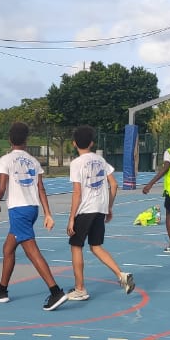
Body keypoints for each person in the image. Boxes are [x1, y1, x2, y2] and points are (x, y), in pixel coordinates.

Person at [0, 121, 68, 311]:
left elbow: (2, 187)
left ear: (10, 139)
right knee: (8, 249)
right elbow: (41, 188)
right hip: (32, 208)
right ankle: (2, 289)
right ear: (26, 140)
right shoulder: (33, 161)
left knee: (31, 251)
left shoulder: (6, 159)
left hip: (18, 210)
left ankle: (55, 291)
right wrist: (47, 213)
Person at [65, 125, 135, 301]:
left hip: (85, 209)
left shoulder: (76, 163)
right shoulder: (100, 160)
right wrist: (108, 207)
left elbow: (77, 192)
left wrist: (71, 218)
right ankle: (121, 275)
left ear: (74, 143)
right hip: (100, 208)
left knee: (76, 246)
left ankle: (80, 288)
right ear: (92, 143)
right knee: (96, 246)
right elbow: (114, 184)